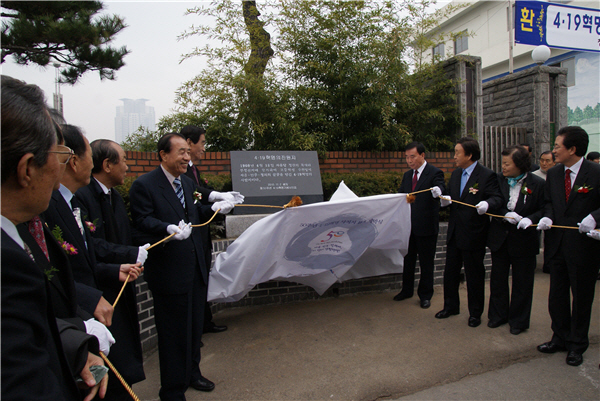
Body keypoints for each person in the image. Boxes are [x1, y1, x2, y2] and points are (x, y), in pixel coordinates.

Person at [1, 74, 107, 401]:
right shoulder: (7, 264)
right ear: (27, 169)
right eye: (58, 155)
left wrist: (74, 346)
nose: (60, 170)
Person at [129, 133, 234, 400]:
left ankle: (193, 373)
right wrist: (166, 228)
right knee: (174, 334)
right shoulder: (144, 185)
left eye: (188, 151)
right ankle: (173, 390)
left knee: (194, 329)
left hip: (195, 268)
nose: (187, 157)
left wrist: (216, 208)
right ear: (164, 155)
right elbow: (141, 220)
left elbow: (196, 212)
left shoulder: (186, 183)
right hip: (169, 273)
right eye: (181, 152)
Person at [75, 139, 147, 400]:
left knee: (124, 360)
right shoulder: (82, 196)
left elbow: (125, 235)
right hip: (99, 293)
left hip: (121, 284)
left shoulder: (113, 195)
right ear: (107, 165)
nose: (127, 167)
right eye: (124, 160)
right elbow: (88, 245)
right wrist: (127, 255)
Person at [535, 126, 600, 367]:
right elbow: (549, 202)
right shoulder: (554, 174)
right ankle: (559, 337)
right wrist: (547, 216)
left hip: (583, 247)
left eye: (557, 146)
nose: (553, 151)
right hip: (556, 245)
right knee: (556, 296)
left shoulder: (595, 172)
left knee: (581, 298)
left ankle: (577, 344)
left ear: (572, 149)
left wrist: (595, 217)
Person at [180, 125, 243, 335]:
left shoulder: (193, 169)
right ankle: (197, 327)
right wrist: (215, 199)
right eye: (202, 143)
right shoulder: (183, 171)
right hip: (191, 234)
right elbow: (194, 194)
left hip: (202, 234)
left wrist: (219, 195)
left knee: (202, 280)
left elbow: (199, 192)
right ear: (189, 143)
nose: (204, 148)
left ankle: (204, 322)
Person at [435, 137, 502, 327]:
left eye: (457, 152)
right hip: (455, 232)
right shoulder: (456, 174)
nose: (454, 156)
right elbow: (451, 196)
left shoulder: (487, 175)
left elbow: (497, 198)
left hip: (474, 233)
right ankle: (450, 306)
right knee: (450, 272)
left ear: (469, 155)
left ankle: (475, 312)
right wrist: (444, 200)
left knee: (474, 275)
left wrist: (487, 204)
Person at [486, 146, 546, 335]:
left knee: (523, 282)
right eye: (502, 163)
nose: (503, 167)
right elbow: (493, 201)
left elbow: (544, 208)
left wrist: (531, 219)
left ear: (520, 164)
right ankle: (498, 315)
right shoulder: (497, 180)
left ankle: (519, 320)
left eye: (507, 164)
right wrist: (505, 213)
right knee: (498, 280)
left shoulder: (537, 183)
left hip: (524, 239)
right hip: (500, 238)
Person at [393, 142, 445, 309]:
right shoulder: (408, 175)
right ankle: (406, 290)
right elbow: (402, 195)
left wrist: (438, 192)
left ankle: (425, 295)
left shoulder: (435, 172)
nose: (409, 160)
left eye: (412, 156)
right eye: (407, 157)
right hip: (409, 226)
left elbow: (441, 188)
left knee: (426, 263)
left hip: (426, 226)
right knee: (408, 261)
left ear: (422, 155)